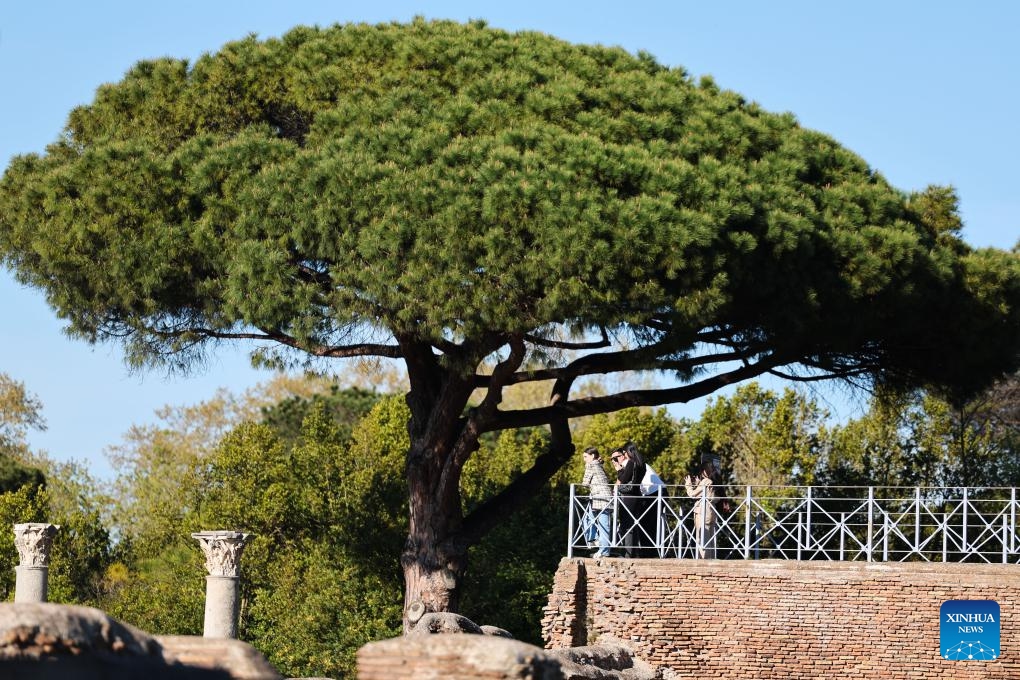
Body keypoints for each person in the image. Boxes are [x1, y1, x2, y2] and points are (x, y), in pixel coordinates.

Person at [612, 442, 653, 558]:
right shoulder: (642, 463)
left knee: (627, 525)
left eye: (624, 453)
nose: (623, 455)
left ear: (628, 451)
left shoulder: (631, 463)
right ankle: (634, 552)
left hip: (629, 497)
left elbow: (624, 479)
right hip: (637, 495)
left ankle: (628, 554)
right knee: (634, 524)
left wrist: (618, 470)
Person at [580, 446, 612, 557]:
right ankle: (597, 542)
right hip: (603, 498)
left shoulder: (591, 465)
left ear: (592, 456)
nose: (584, 459)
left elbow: (585, 483)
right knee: (589, 519)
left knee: (602, 524)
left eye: (585, 457)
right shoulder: (598, 465)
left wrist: (587, 466)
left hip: (600, 498)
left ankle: (603, 550)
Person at [684, 461, 718, 559]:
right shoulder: (712, 481)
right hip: (711, 512)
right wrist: (698, 484)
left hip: (703, 512)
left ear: (703, 471)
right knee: (710, 539)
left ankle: (704, 561)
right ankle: (711, 559)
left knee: (703, 538)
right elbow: (704, 493)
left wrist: (688, 485)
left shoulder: (706, 481)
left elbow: (692, 494)